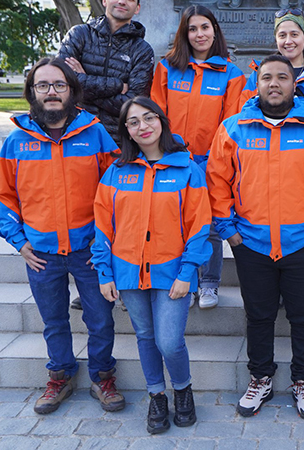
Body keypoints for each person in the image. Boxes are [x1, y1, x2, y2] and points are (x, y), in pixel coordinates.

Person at [208, 54, 304, 420]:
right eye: (267, 77)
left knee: (303, 316)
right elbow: (217, 182)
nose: (274, 83)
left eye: (282, 77)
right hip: (251, 243)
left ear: (293, 84)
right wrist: (229, 231)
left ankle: (303, 380)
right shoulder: (234, 128)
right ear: (257, 84)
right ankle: (261, 377)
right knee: (259, 315)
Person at [0, 57, 123, 415]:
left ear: (71, 91)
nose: (51, 92)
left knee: (100, 318)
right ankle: (61, 375)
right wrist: (18, 241)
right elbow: (2, 195)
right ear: (32, 92)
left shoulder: (95, 133)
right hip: (41, 253)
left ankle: (102, 376)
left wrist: (106, 238)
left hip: (89, 249)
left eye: (59, 85)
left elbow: (116, 188)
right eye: (43, 85)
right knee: (53, 319)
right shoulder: (17, 141)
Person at [92, 96, 212, 434]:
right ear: (126, 131)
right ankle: (156, 395)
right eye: (133, 122)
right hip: (127, 271)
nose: (142, 126)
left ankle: (183, 389)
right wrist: (104, 271)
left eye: (149, 118)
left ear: (162, 121)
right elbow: (102, 226)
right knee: (145, 336)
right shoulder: (116, 171)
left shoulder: (187, 169)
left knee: (169, 341)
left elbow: (200, 225)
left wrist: (188, 272)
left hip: (172, 270)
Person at [151, 4, 246, 310]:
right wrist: (167, 154)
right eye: (192, 29)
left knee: (212, 225)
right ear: (184, 34)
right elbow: (157, 114)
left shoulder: (231, 74)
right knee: (177, 223)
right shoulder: (167, 68)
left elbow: (230, 124)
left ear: (215, 31)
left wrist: (216, 163)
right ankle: (186, 281)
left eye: (205, 27)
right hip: (173, 159)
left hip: (211, 162)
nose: (199, 34)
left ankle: (209, 283)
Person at [59, 0, 155, 139]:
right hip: (74, 134)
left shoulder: (142, 51)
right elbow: (62, 84)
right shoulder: (79, 35)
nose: (122, 1)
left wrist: (83, 83)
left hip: (118, 142)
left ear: (137, 8)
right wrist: (116, 85)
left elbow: (133, 105)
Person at [240, 9, 304, 130]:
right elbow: (244, 117)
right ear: (276, 40)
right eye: (282, 35)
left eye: (294, 34)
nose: (288, 41)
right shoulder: (259, 75)